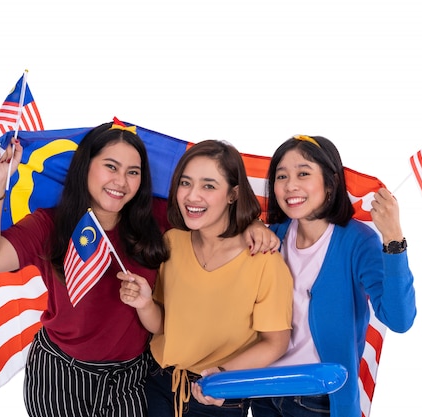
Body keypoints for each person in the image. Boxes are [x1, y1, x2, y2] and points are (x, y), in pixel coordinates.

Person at [0, 121, 279, 417]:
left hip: (131, 378)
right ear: (86, 167)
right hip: (60, 371)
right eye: (110, 167)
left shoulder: (158, 219)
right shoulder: (51, 224)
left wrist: (250, 222)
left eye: (133, 172)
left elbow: (211, 213)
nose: (121, 181)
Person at [119, 140, 294, 417]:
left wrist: (222, 376)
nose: (192, 196)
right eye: (186, 183)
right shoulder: (172, 242)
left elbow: (275, 342)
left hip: (217, 397)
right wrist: (143, 303)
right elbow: (163, 325)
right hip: (158, 383)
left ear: (232, 195)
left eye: (208, 186)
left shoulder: (265, 261)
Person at [250, 135, 417, 417]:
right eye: (281, 176)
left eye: (303, 173)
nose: (290, 185)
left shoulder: (357, 241)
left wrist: (393, 238)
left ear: (330, 183)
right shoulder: (273, 235)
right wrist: (249, 227)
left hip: (319, 401)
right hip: (266, 392)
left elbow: (399, 319)